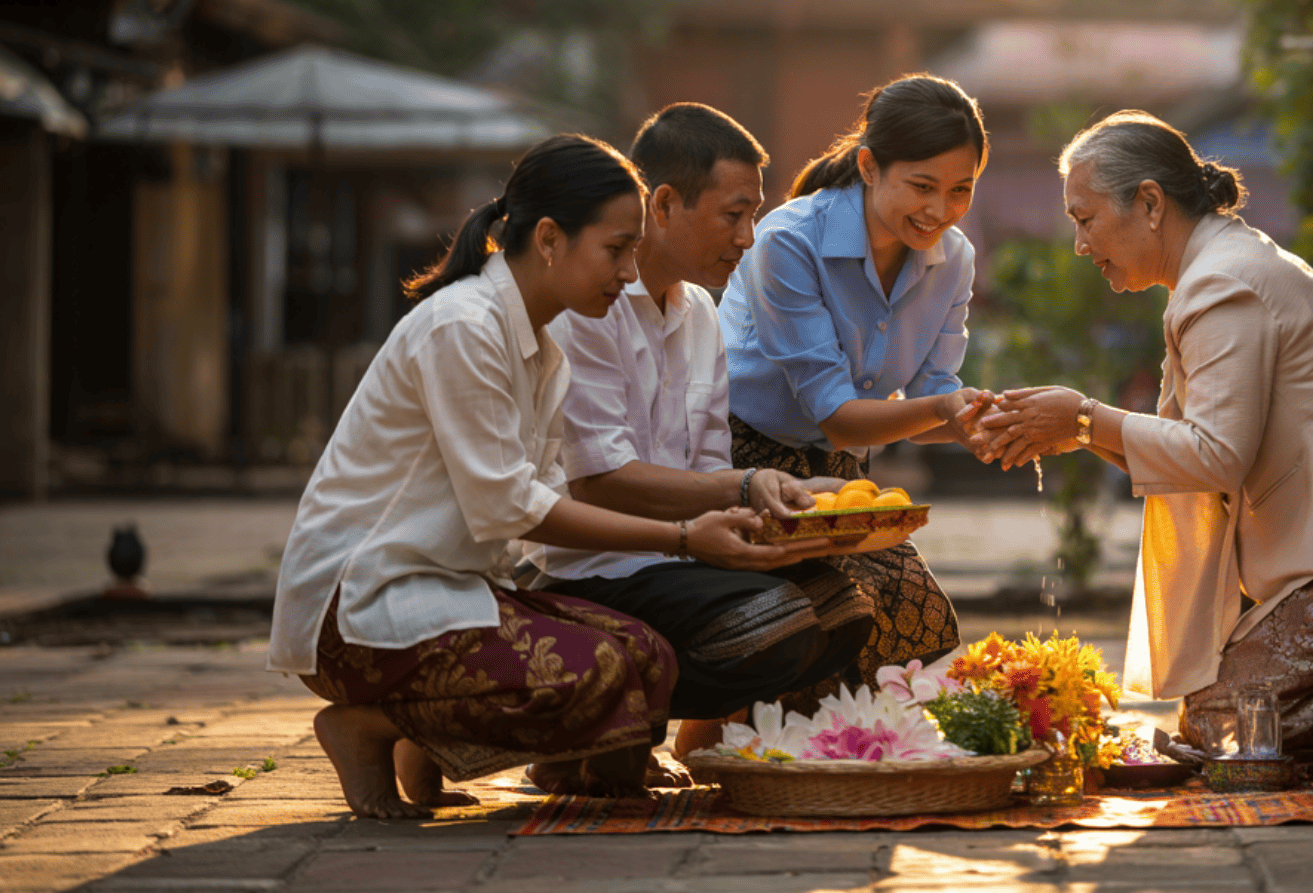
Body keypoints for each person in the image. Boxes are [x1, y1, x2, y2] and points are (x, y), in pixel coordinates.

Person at [267, 135, 821, 818]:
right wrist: (682, 537)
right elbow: (513, 506)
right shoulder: (462, 327)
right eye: (616, 250)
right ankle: (373, 726)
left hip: (452, 591)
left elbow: (537, 500)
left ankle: (443, 739)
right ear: (551, 239)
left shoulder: (540, 343)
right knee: (599, 671)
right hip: (358, 608)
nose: (628, 272)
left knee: (646, 655)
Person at [977, 112, 1313, 755]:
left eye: (1085, 219)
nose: (1079, 244)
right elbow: (1186, 453)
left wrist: (1085, 418)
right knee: (1219, 716)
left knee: (1229, 723)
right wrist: (1079, 432)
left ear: (1150, 203)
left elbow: (1215, 456)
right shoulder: (1215, 269)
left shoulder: (1221, 281)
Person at [528, 104, 873, 757]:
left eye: (754, 216)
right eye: (733, 215)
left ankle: (642, 736)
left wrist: (795, 507)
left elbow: (710, 468)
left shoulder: (700, 313)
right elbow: (600, 480)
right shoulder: (587, 306)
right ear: (662, 205)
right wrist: (747, 486)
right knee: (774, 623)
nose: (748, 237)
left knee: (842, 609)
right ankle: (598, 738)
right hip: (593, 566)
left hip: (679, 558)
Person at [720, 74, 995, 698]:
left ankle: (840, 743)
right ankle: (735, 736)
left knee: (917, 610)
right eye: (922, 186)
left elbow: (933, 396)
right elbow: (840, 415)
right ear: (870, 167)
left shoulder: (953, 258)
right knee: (824, 615)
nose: (940, 210)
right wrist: (945, 408)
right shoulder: (789, 241)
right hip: (742, 457)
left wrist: (984, 421)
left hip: (841, 468)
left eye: (961, 190)